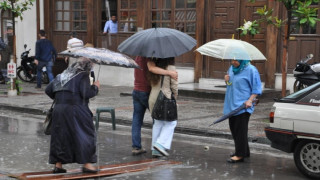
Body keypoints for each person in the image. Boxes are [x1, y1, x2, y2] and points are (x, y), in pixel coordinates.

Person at [45, 58, 100, 173]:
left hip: (59, 109)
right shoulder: (83, 75)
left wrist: (61, 97)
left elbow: (48, 89)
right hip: (76, 109)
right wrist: (95, 87)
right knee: (85, 134)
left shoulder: (62, 75)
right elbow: (86, 93)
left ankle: (58, 165)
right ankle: (87, 164)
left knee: (60, 137)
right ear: (87, 67)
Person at [131, 56, 178, 156]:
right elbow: (151, 68)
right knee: (159, 120)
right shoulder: (149, 59)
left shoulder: (137, 58)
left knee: (137, 119)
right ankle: (159, 145)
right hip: (147, 92)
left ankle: (137, 146)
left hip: (136, 90)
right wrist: (169, 72)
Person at [224, 59, 262, 163]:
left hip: (244, 105)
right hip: (231, 104)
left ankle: (240, 155)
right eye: (231, 60)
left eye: (235, 60)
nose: (233, 62)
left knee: (240, 129)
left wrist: (250, 100)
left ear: (242, 59)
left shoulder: (251, 70)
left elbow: (257, 87)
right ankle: (244, 151)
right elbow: (230, 84)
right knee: (234, 128)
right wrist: (226, 80)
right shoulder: (231, 69)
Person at [148, 57, 178, 157]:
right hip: (164, 98)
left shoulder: (153, 67)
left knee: (157, 123)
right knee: (171, 122)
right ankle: (160, 144)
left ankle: (155, 149)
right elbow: (174, 87)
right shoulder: (170, 68)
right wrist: (175, 97)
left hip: (153, 98)